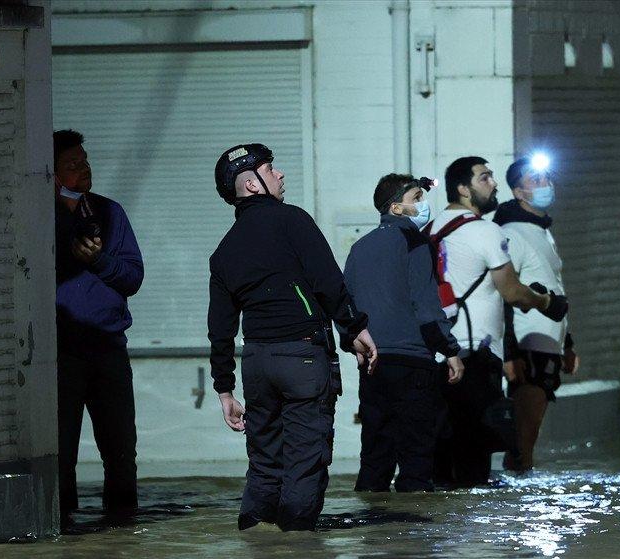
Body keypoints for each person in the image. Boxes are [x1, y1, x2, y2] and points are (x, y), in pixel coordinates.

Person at [208, 143, 377, 531]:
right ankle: (297, 557)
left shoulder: (224, 250)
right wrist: (355, 328)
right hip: (302, 356)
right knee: (306, 458)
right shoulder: (292, 220)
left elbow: (220, 327)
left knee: (265, 460)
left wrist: (224, 390)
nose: (280, 175)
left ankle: (257, 548)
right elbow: (328, 282)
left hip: (256, 363)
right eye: (272, 169)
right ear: (251, 184)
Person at [426, 156, 567, 487]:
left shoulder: (429, 230)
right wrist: (546, 302)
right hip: (475, 356)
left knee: (442, 456)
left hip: (437, 353)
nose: (494, 185)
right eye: (485, 178)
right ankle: (478, 538)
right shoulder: (486, 231)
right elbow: (513, 291)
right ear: (463, 189)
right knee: (474, 463)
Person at [343, 173, 464, 492]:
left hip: (372, 364)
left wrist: (352, 342)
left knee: (374, 455)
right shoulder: (416, 242)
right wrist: (449, 349)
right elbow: (426, 304)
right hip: (413, 364)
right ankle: (412, 537)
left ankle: (372, 531)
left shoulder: (359, 247)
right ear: (396, 208)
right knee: (416, 459)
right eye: (417, 199)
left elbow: (344, 306)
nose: (424, 205)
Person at [53, 129, 145, 528]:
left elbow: (133, 277)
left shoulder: (109, 212)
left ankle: (123, 533)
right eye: (72, 165)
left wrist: (99, 261)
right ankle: (64, 530)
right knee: (60, 454)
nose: (84, 168)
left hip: (109, 348)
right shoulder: (36, 217)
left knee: (122, 451)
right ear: (51, 173)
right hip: (60, 354)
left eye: (85, 160)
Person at [494, 154, 579, 472]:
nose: (545, 185)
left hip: (547, 342)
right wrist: (510, 353)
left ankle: (518, 494)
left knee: (528, 435)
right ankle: (515, 504)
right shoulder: (513, 232)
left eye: (546, 178)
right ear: (518, 192)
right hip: (528, 344)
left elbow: (552, 286)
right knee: (522, 439)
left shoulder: (541, 230)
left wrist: (566, 343)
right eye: (535, 180)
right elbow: (504, 292)